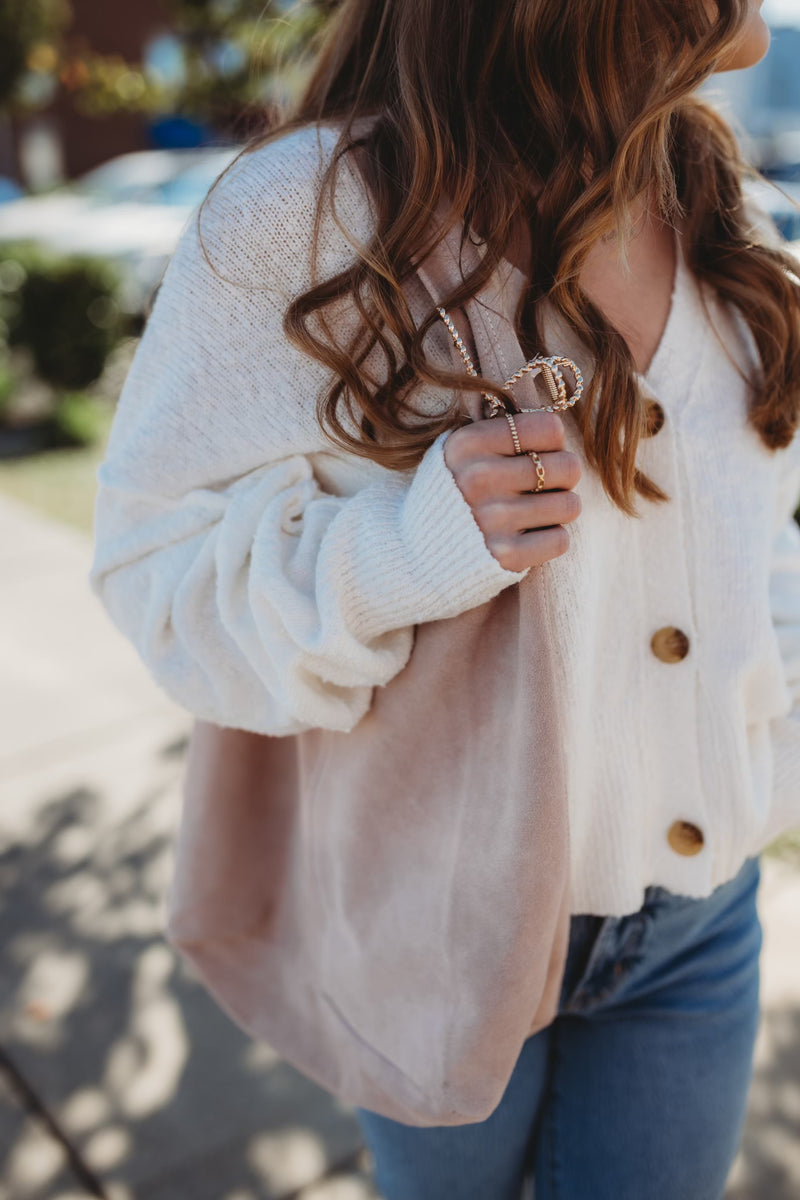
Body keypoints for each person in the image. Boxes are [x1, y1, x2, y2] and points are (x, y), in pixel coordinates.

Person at [88, 1, 800, 1197]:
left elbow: (766, 548)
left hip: (698, 924)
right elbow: (150, 567)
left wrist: (768, 753)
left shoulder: (728, 214)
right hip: (433, 922)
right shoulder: (308, 214)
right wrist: (405, 550)